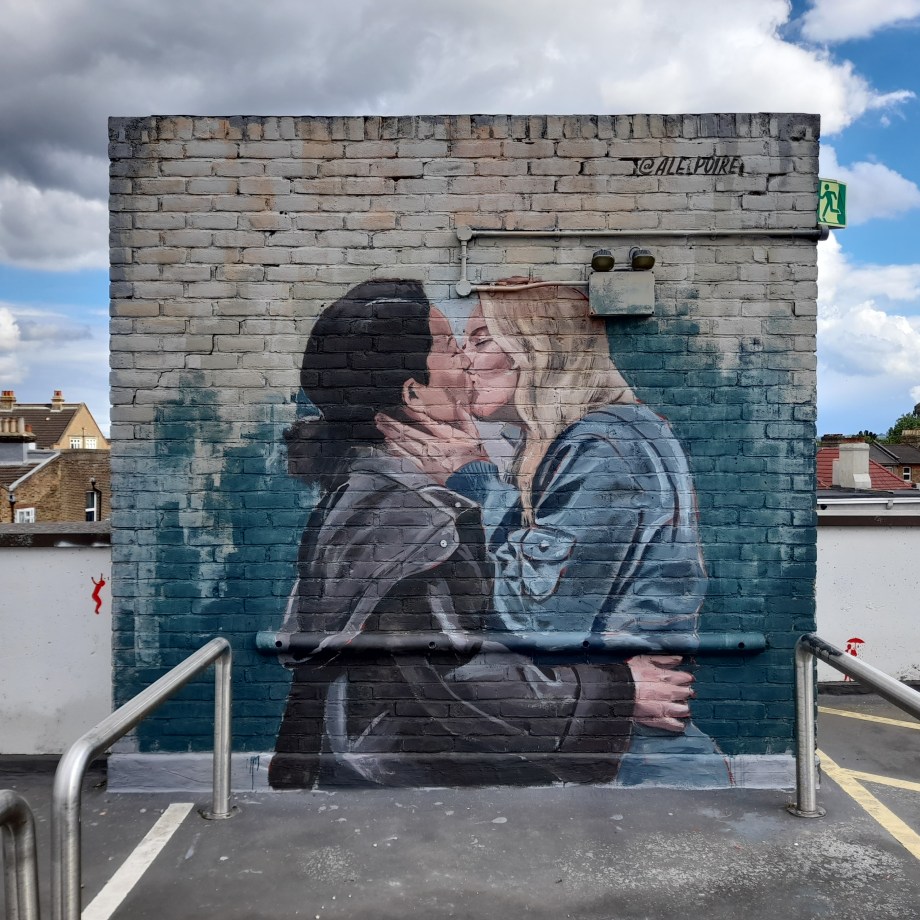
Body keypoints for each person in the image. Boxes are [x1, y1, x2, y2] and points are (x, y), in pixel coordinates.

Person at [270, 279, 675, 789]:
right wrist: (618, 692)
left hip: (383, 774)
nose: (464, 359)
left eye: (476, 341)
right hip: (402, 783)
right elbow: (454, 671)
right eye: (450, 345)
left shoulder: (378, 492)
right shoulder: (409, 511)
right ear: (413, 393)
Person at [377, 282, 729, 784]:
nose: (465, 361)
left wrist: (470, 479)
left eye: (481, 339)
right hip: (610, 744)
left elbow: (536, 618)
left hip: (634, 761)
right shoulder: (571, 443)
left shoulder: (604, 446)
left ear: (539, 348)